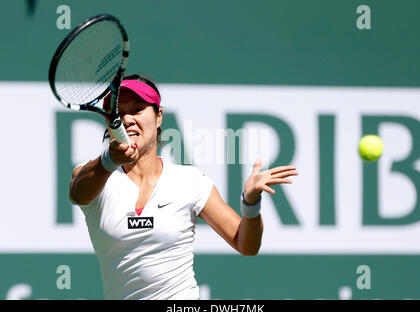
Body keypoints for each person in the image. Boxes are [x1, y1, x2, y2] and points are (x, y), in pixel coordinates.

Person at [69, 74, 299, 300]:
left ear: (158, 117)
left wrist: (251, 203)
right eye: (119, 113)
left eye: (138, 109)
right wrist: (109, 160)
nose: (127, 119)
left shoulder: (190, 181)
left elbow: (246, 244)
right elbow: (78, 193)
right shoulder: (94, 175)